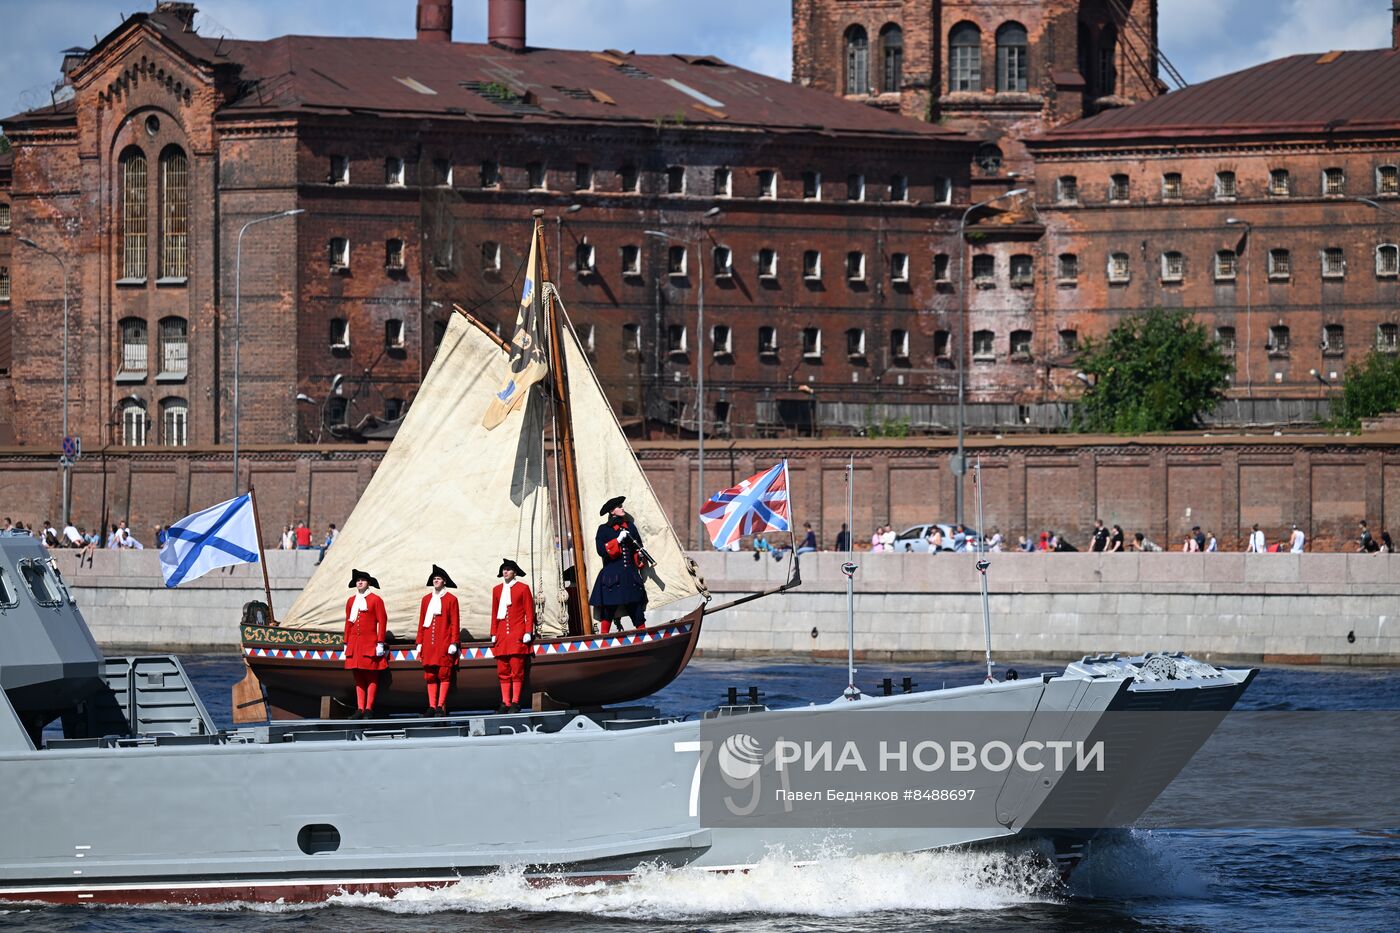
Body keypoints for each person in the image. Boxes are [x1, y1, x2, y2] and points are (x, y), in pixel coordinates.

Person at [590, 496, 649, 632]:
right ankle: (603, 639)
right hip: (612, 578)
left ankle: (643, 637)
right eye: (619, 507)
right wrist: (617, 540)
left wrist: (639, 555)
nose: (623, 509)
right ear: (612, 511)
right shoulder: (604, 529)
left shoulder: (630, 527)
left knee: (637, 611)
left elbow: (636, 548)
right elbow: (601, 551)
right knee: (608, 611)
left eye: (622, 506)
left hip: (630, 576)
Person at [490, 558, 535, 714]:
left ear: (514, 572)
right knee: (502, 670)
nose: (505, 572)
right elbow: (495, 613)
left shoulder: (523, 588)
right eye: (503, 569)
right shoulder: (496, 590)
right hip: (502, 636)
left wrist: (528, 631)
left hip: (517, 634)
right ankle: (505, 702)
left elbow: (529, 612)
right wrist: (493, 633)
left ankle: (515, 702)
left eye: (508, 569)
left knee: (517, 670)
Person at [416, 564, 460, 717]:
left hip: (444, 643)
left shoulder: (451, 599)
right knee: (430, 675)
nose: (436, 581)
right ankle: (432, 706)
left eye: (439, 579)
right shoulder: (426, 599)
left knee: (444, 674)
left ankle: (440, 705)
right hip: (428, 644)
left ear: (444, 582)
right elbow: (422, 622)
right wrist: (419, 642)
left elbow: (455, 622)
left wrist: (454, 642)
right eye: (434, 579)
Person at [343, 569, 388, 719]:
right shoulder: (351, 601)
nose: (360, 582)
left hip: (369, 644)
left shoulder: (376, 600)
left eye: (362, 580)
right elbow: (348, 622)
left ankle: (369, 708)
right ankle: (360, 709)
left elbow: (382, 621)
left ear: (368, 583)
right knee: (359, 678)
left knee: (371, 677)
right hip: (354, 645)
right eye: (357, 580)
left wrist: (380, 642)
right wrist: (345, 641)